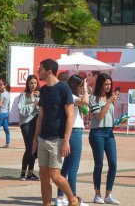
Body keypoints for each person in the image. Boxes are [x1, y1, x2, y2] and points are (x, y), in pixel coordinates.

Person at [32, 58, 83, 206]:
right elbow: (40, 117)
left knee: (55, 175)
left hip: (57, 139)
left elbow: (70, 115)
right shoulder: (44, 90)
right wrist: (35, 139)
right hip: (43, 138)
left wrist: (66, 140)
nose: (38, 72)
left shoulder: (63, 89)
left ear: (49, 71)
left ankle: (73, 200)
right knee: (43, 176)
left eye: (40, 69)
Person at [57, 75, 89, 206]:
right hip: (75, 131)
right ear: (75, 86)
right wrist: (86, 90)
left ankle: (60, 197)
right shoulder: (72, 96)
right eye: (81, 86)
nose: (82, 89)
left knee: (66, 167)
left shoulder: (70, 96)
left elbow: (85, 110)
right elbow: (85, 102)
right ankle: (73, 198)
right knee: (73, 168)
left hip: (72, 131)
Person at [89, 72, 120, 205]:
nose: (108, 87)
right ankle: (97, 194)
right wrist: (109, 102)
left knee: (113, 164)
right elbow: (99, 116)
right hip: (97, 133)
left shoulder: (109, 98)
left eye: (110, 84)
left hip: (109, 132)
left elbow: (108, 117)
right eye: (106, 84)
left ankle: (108, 194)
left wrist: (118, 121)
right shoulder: (93, 98)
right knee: (99, 164)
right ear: (100, 84)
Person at [18, 74, 40, 181]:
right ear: (27, 83)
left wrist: (40, 99)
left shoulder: (38, 95)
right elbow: (21, 110)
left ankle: (30, 173)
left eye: (35, 83)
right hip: (26, 124)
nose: (33, 85)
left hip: (36, 123)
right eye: (31, 83)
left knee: (34, 148)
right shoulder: (23, 95)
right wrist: (33, 104)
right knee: (29, 147)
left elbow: (42, 109)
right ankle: (23, 172)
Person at [0, 79, 11, 147]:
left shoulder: (2, 95)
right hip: (6, 113)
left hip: (1, 113)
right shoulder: (8, 93)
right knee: (6, 128)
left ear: (5, 85)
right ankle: (8, 143)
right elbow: (1, 93)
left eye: (1, 85)